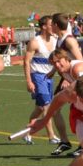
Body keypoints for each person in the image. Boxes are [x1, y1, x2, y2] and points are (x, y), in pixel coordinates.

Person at [47, 12, 83, 156]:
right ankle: (64, 141)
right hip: (67, 78)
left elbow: (81, 61)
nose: (50, 27)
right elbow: (60, 58)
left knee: (80, 112)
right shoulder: (60, 39)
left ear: (56, 25)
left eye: (51, 24)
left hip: (74, 80)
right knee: (55, 108)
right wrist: (52, 71)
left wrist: (67, 78)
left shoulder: (69, 40)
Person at [24, 15, 59, 145]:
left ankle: (28, 133)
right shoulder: (35, 42)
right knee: (47, 107)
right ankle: (51, 136)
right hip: (38, 76)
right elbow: (26, 62)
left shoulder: (56, 41)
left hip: (49, 76)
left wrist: (55, 72)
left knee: (39, 108)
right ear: (44, 26)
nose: (54, 27)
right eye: (51, 24)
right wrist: (29, 81)